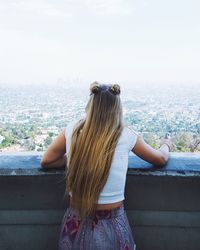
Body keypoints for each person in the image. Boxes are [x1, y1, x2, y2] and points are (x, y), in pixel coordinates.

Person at [40, 82, 173, 250]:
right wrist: (166, 144)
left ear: (90, 106)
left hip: (76, 221)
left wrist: (78, 158)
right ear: (117, 109)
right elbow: (160, 159)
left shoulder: (73, 129)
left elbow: (47, 161)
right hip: (112, 225)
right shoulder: (125, 134)